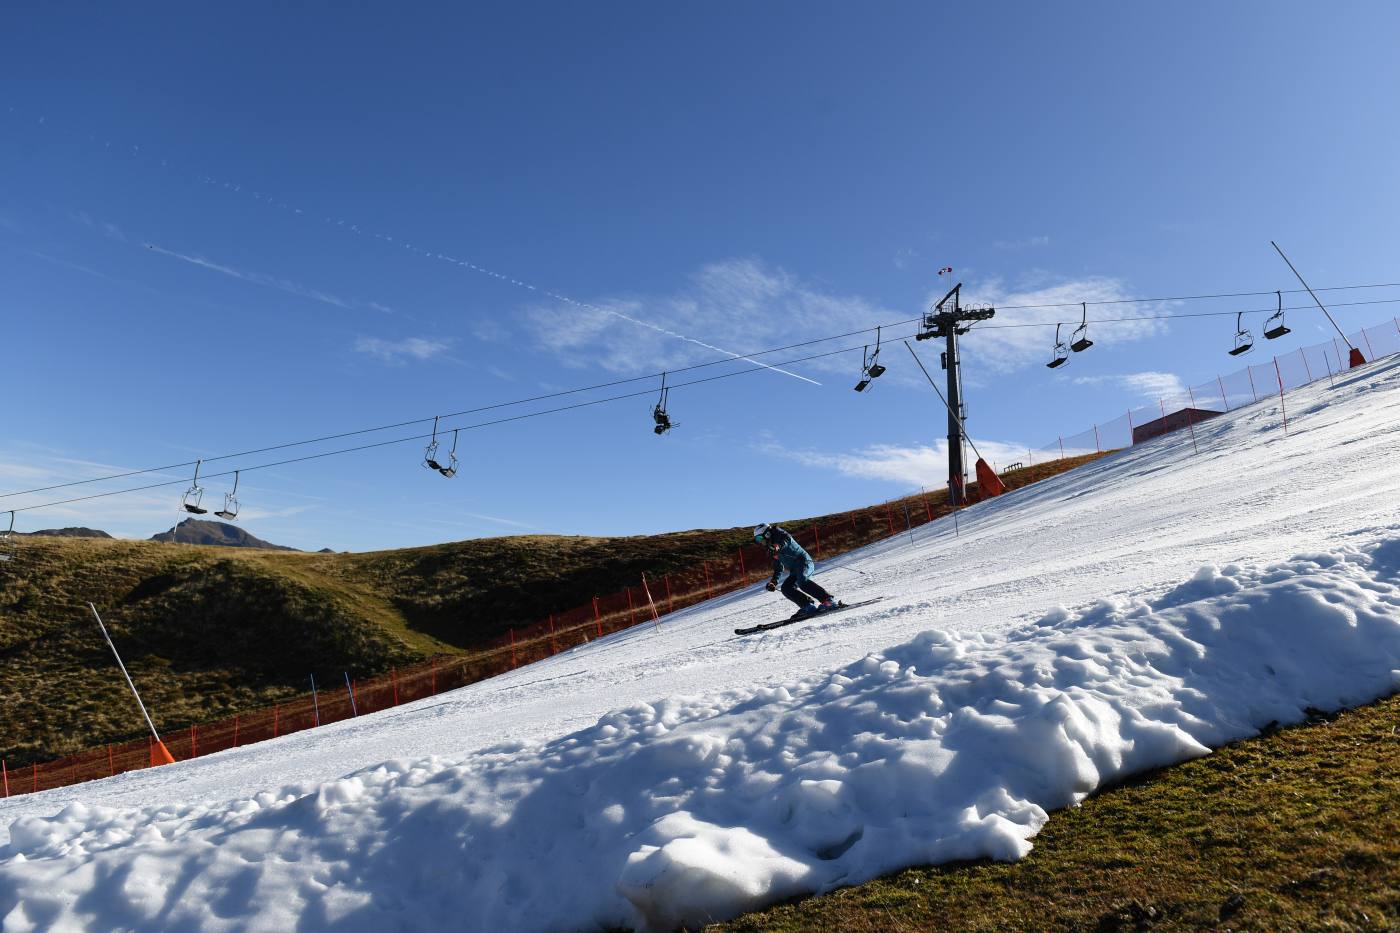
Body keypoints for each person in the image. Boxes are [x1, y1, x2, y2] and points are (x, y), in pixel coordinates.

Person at [753, 523, 840, 618]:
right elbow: (778, 567)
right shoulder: (770, 548)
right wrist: (773, 582)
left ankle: (828, 601)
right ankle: (808, 606)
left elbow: (786, 539)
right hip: (795, 570)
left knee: (802, 581)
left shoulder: (779, 533)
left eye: (759, 538)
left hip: (804, 562)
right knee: (786, 588)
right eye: (757, 540)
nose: (759, 542)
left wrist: (777, 547)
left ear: (767, 534)